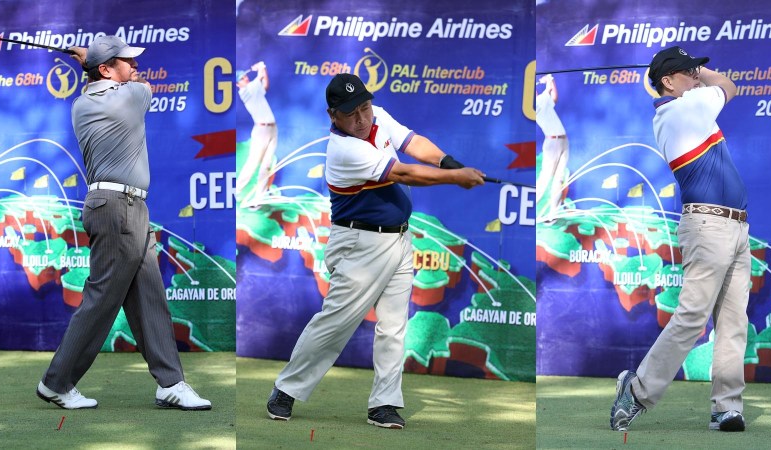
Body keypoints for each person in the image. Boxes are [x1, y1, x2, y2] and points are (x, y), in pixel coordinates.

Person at [266, 73, 485, 429]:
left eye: (365, 107)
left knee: (394, 326)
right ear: (333, 115)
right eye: (352, 112)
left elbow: (413, 143)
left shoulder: (376, 114)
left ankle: (383, 404)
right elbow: (406, 173)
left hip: (399, 238)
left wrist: (450, 163)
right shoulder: (343, 149)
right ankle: (285, 390)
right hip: (359, 245)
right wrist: (456, 178)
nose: (362, 117)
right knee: (335, 323)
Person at [36, 35, 210, 411]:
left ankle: (170, 383)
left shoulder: (81, 104)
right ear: (107, 69)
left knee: (149, 294)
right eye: (127, 61)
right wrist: (89, 60)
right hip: (120, 208)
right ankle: (57, 382)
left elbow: (107, 82)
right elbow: (141, 86)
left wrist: (90, 64)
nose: (136, 67)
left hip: (117, 206)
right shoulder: (132, 96)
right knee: (102, 298)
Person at [611, 46, 748, 432]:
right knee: (692, 317)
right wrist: (703, 74)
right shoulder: (681, 109)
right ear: (669, 82)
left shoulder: (689, 106)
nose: (696, 76)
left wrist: (689, 70)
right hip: (708, 226)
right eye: (688, 72)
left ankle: (727, 408)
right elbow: (727, 83)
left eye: (696, 71)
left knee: (733, 321)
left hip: (736, 227)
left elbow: (715, 83)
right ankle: (636, 392)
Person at [235, 61, 277, 208]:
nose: (245, 79)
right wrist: (261, 67)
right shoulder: (245, 92)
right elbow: (259, 77)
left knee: (266, 165)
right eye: (241, 79)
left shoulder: (254, 89)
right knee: (253, 163)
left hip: (272, 128)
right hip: (261, 130)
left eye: (245, 77)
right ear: (237, 84)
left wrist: (262, 68)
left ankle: (259, 199)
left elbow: (265, 84)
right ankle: (236, 191)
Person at [533, 73, 568, 222]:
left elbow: (552, 95)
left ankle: (554, 214)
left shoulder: (541, 100)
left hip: (562, 140)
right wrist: (549, 79)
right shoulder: (538, 102)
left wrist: (548, 81)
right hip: (552, 142)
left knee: (558, 179)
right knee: (545, 179)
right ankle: (531, 211)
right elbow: (553, 94)